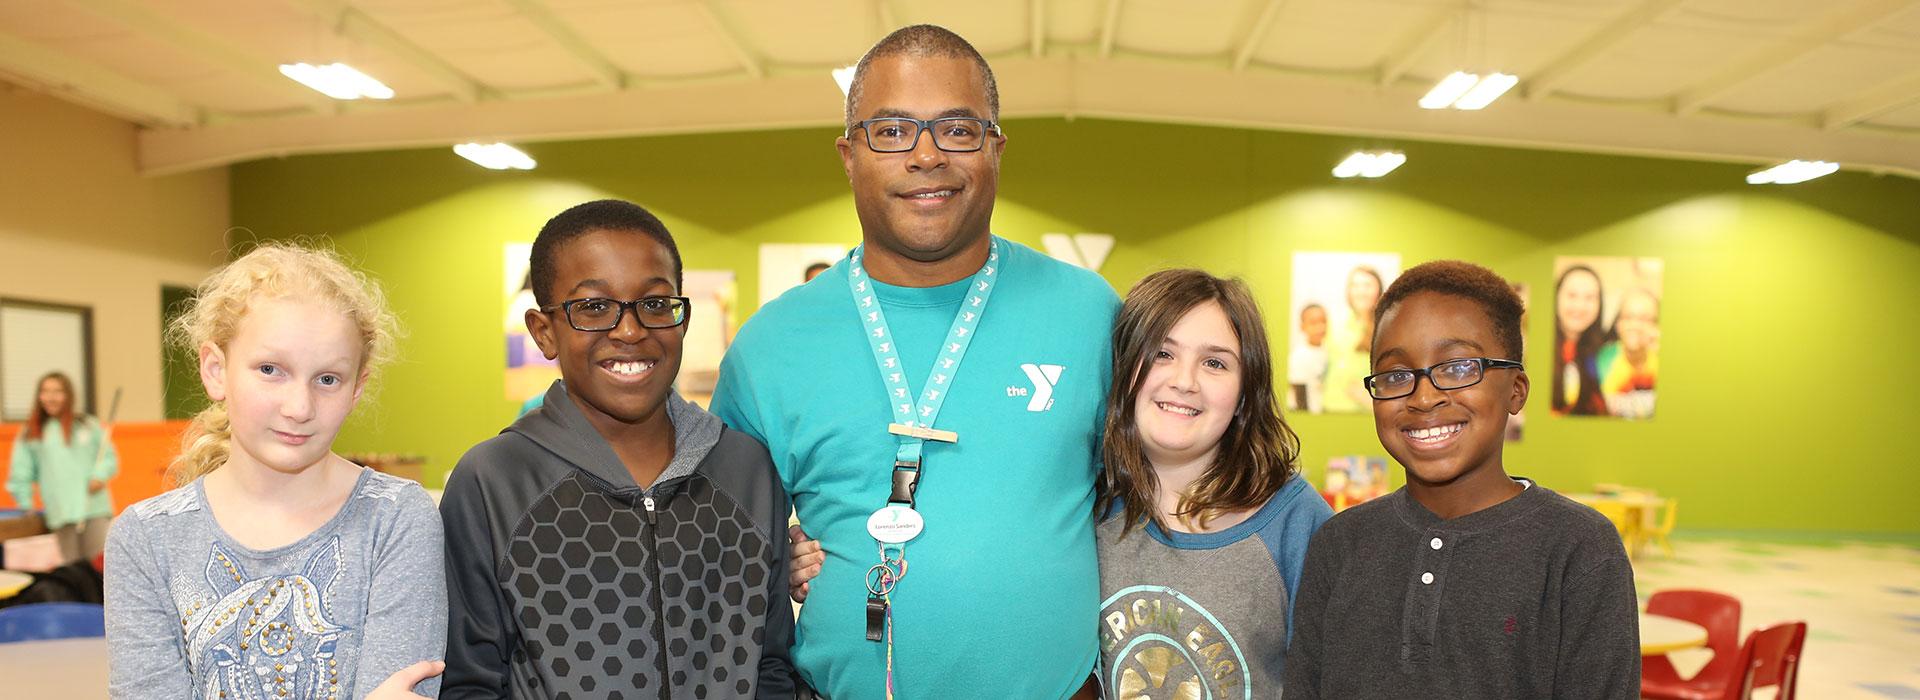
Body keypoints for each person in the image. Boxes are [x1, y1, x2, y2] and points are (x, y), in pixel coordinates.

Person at [710, 25, 1118, 699]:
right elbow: (721, 549)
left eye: (957, 129)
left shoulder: (1090, 314)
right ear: (848, 154)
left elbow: (1159, 498)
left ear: (996, 147)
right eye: (892, 131)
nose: (926, 155)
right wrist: (773, 558)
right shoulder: (769, 347)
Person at [439, 200, 793, 698]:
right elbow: (468, 680)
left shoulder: (745, 467)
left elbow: (772, 663)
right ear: (544, 332)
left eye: (654, 303)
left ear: (681, 319)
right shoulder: (492, 479)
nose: (630, 330)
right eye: (594, 307)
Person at [1283, 260, 1640, 698]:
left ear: (1516, 390)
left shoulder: (1580, 548)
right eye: (1396, 375)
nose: (1424, 396)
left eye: (1457, 368)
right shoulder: (1339, 544)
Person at [104, 244, 447, 699]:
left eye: (327, 379)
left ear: (356, 389)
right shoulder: (145, 540)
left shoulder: (397, 519)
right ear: (215, 370)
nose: (300, 407)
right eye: (271, 370)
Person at [1095, 269, 1333, 697]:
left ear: (1244, 393)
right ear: (1123, 368)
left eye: (1215, 363)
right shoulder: (1084, 506)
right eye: (1162, 354)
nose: (1184, 381)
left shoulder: (1298, 523)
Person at [7, 371, 117, 563]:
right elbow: (20, 474)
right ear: (39, 396)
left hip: (95, 508)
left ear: (68, 395)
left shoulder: (87, 425)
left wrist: (99, 476)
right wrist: (26, 505)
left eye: (57, 391)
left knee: (101, 568)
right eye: (45, 391)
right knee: (72, 572)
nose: (50, 397)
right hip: (61, 511)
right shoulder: (32, 432)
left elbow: (108, 457)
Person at [1321, 266, 1383, 413]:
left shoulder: (1385, 328)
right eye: (1355, 285)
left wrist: (1372, 401)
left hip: (1365, 413)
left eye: (1367, 285)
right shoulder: (1334, 324)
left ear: (1378, 290)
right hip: (1328, 410)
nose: (1361, 291)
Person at [1552, 264, 1608, 416]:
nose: (1580, 306)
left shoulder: (1603, 352)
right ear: (1556, 297)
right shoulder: (1537, 348)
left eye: (1590, 298)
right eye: (1572, 295)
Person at [1595, 287, 1659, 419]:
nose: (1635, 325)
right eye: (1628, 317)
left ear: (1656, 325)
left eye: (1644, 319)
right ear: (1618, 324)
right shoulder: (1599, 360)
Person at [1287, 302, 1330, 412]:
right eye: (1313, 323)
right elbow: (1300, 395)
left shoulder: (1329, 352)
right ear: (1302, 326)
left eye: (1323, 321)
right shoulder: (1299, 356)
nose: (1320, 327)